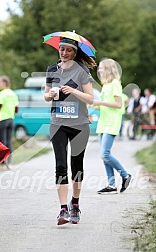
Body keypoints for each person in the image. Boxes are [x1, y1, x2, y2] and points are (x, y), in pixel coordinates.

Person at [44, 37, 96, 225]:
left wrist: (73, 91)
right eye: (61, 49)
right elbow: (46, 95)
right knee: (60, 166)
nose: (64, 53)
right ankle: (63, 209)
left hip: (79, 125)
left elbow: (90, 99)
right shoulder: (51, 69)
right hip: (57, 123)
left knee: (77, 167)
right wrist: (49, 95)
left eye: (68, 50)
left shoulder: (82, 71)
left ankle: (75, 204)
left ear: (75, 52)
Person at [94, 58, 131, 194]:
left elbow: (118, 104)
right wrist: (94, 105)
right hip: (103, 123)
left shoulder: (115, 84)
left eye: (101, 67)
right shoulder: (105, 85)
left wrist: (100, 103)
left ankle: (125, 175)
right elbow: (105, 106)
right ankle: (111, 185)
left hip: (112, 123)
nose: (99, 70)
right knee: (105, 155)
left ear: (108, 69)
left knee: (105, 154)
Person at [0, 76, 19, 165]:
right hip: (11, 119)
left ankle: (2, 163)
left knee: (2, 141)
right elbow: (16, 109)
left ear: (4, 83)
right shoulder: (13, 94)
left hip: (2, 119)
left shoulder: (2, 93)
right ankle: (9, 162)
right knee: (9, 141)